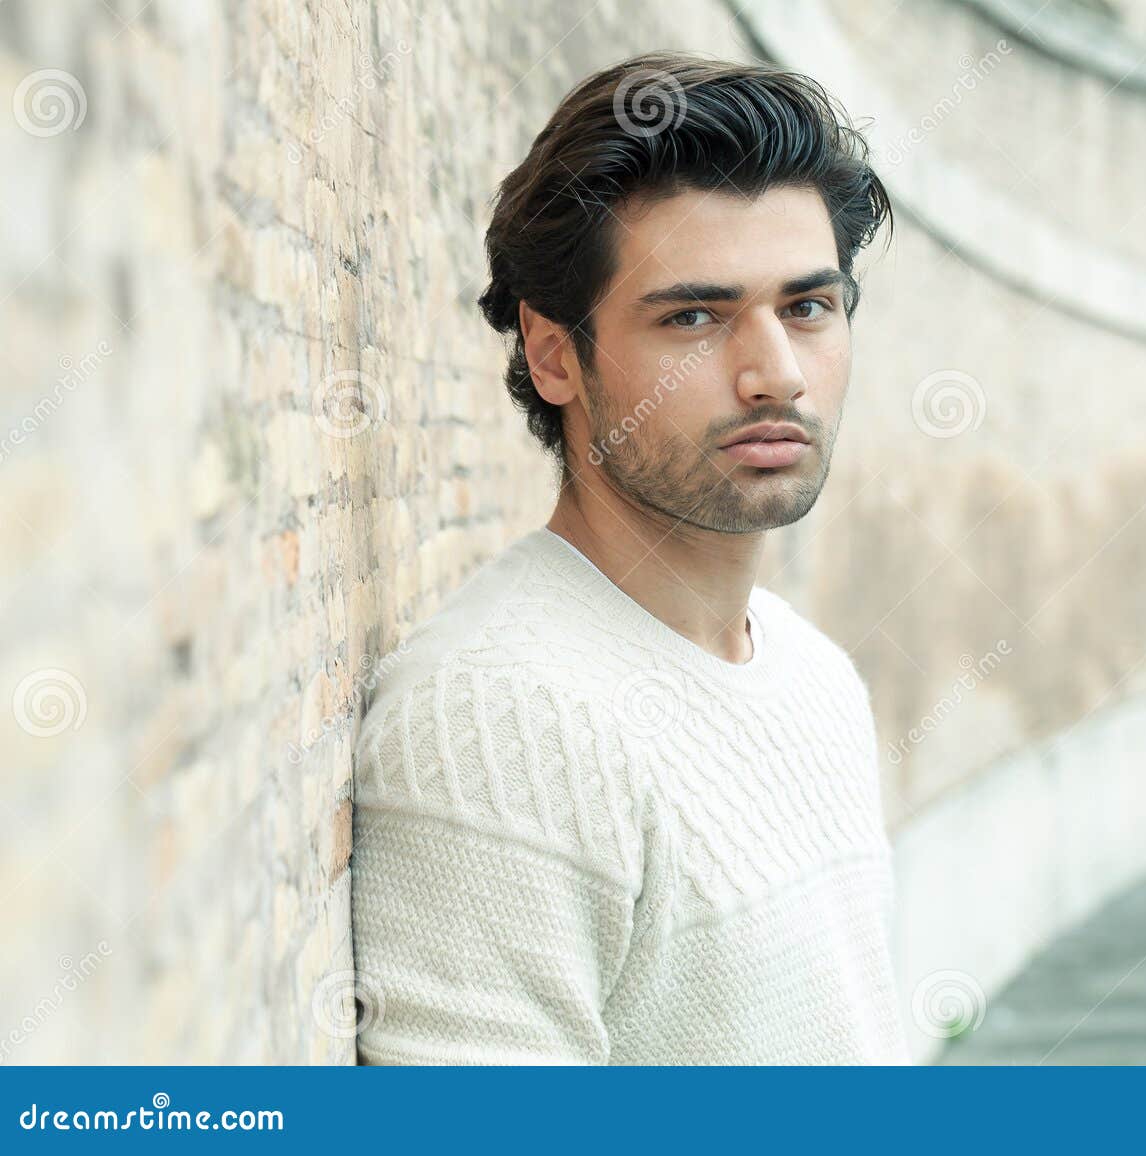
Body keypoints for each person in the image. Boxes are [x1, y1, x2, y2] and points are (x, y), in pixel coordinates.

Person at [347, 50, 907, 1064]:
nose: (775, 373)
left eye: (807, 308)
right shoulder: (499, 717)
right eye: (693, 317)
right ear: (555, 354)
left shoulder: (815, 675)